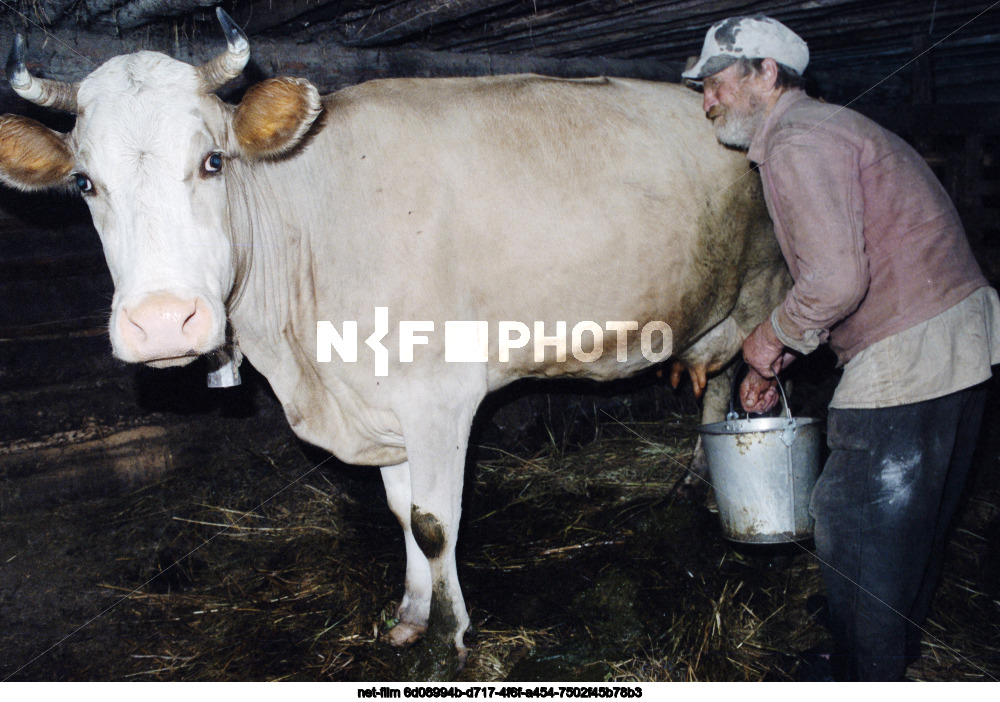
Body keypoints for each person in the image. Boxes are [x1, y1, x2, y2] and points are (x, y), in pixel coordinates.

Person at [682, 15, 1000, 681]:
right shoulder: (828, 130)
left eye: (713, 84)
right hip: (950, 334)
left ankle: (867, 677)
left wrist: (765, 342)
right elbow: (845, 276)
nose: (705, 100)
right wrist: (784, 357)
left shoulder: (796, 140)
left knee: (857, 521)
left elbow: (834, 279)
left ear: (766, 73)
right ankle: (877, 654)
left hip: (910, 348)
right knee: (911, 528)